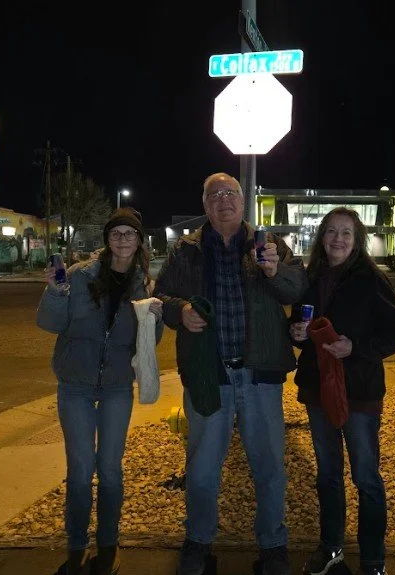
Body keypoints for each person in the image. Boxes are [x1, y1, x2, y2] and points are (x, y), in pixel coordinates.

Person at [153, 172, 308, 575]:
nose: (224, 199)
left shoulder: (268, 244)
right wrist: (180, 311)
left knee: (269, 466)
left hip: (260, 375)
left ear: (243, 200)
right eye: (215, 194)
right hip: (209, 375)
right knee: (202, 467)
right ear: (205, 204)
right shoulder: (185, 250)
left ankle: (273, 547)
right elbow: (160, 296)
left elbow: (296, 289)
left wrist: (274, 272)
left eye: (231, 192)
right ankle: (198, 542)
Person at [37, 208, 163, 575]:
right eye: (116, 233)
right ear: (107, 239)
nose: (123, 239)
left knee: (109, 469)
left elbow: (148, 343)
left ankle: (108, 543)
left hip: (116, 387)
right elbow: (49, 323)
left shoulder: (145, 285)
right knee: (79, 470)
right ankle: (76, 546)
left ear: (139, 241)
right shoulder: (79, 276)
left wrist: (154, 320)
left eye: (130, 233)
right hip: (75, 385)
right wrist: (54, 293)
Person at [289, 207, 395, 575]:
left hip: (359, 390)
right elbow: (299, 324)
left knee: (366, 477)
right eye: (331, 231)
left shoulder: (371, 279)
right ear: (321, 237)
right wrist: (295, 332)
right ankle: (331, 549)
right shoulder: (310, 277)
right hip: (317, 389)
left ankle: (373, 559)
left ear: (357, 240)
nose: (337, 239)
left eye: (346, 233)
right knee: (327, 474)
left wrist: (355, 347)